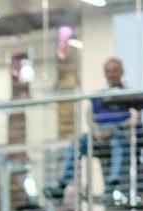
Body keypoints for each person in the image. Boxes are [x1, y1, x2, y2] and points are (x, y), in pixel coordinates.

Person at [45, 58, 131, 201]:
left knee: (117, 143)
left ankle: (114, 181)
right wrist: (96, 132)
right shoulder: (99, 95)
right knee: (78, 142)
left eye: (115, 70)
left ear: (122, 71)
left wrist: (118, 127)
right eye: (108, 71)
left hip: (119, 133)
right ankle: (62, 184)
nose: (112, 74)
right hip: (99, 134)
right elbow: (90, 116)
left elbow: (136, 117)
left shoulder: (131, 93)